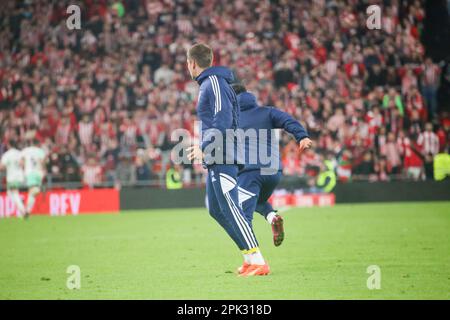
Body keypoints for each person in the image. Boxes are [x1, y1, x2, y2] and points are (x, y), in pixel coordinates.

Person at [185, 43, 269, 276]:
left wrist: (205, 147)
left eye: (187, 63)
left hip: (223, 154)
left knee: (231, 208)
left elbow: (221, 120)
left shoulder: (213, 83)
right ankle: (248, 257)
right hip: (218, 154)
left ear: (192, 63)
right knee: (216, 209)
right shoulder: (211, 84)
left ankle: (259, 260)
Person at [231, 83, 312, 251]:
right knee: (259, 200)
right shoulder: (266, 111)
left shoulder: (231, 118)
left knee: (242, 218)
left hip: (249, 172)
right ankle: (272, 217)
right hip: (273, 172)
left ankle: (255, 261)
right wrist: (301, 136)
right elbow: (287, 120)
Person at [21, 139, 46, 218]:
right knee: (33, 193)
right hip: (38, 173)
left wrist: (23, 169)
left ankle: (25, 208)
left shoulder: (25, 150)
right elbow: (42, 162)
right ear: (38, 144)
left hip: (29, 172)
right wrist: (44, 170)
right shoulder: (40, 151)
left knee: (33, 191)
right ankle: (27, 211)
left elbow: (21, 162)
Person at [0, 140, 26, 218]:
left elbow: (1, 167)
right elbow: (23, 164)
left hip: (12, 177)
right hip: (20, 176)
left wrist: (7, 166)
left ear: (9, 145)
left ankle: (23, 210)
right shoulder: (20, 153)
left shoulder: (7, 154)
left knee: (14, 193)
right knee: (10, 193)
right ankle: (19, 201)